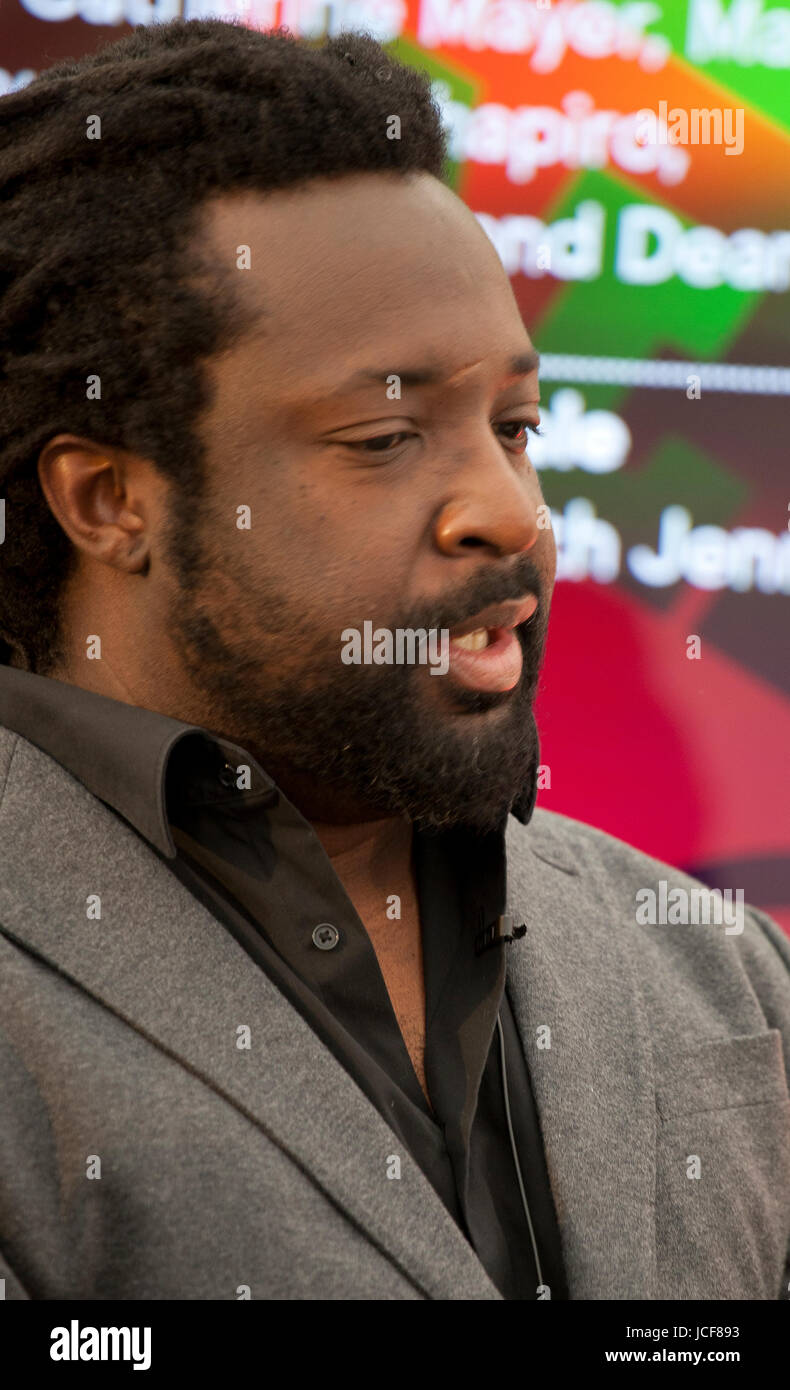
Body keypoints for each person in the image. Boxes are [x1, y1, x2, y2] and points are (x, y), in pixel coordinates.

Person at [0, 18, 788, 1302]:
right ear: (108, 501)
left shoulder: (725, 973)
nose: (508, 513)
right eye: (382, 436)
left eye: (516, 426)